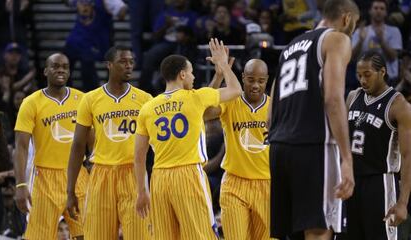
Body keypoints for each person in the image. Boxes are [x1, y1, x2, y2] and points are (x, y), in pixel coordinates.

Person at [267, 0, 359, 239]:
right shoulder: (337, 39)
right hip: (314, 145)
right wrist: (347, 159)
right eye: (354, 25)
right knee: (320, 231)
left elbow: (273, 98)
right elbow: (333, 99)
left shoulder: (290, 46)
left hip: (279, 146)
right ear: (347, 18)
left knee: (292, 233)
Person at [134, 38, 242, 239]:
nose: (193, 76)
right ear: (182, 74)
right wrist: (224, 66)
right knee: (201, 234)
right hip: (189, 174)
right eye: (191, 72)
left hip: (159, 179)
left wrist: (142, 191)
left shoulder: (148, 108)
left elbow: (139, 157)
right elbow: (236, 90)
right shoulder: (194, 97)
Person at [66, 45, 152, 240]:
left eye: (131, 62)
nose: (129, 66)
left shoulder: (145, 99)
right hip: (101, 174)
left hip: (134, 174)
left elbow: (158, 143)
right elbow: (78, 146)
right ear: (109, 65)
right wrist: (70, 190)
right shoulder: (90, 99)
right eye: (123, 62)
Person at [13, 53, 88, 240]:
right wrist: (21, 184)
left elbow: (93, 139)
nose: (61, 69)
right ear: (46, 71)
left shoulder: (83, 100)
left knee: (87, 234)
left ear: (70, 72)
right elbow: (21, 147)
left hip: (78, 176)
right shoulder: (31, 103)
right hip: (45, 178)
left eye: (65, 66)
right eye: (55, 66)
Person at [337, 51, 411, 240]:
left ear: (382, 72)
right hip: (351, 181)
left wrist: (403, 202)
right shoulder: (353, 96)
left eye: (367, 75)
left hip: (380, 183)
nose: (362, 80)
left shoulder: (398, 104)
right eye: (359, 75)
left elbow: (408, 155)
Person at [204, 58, 271, 239]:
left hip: (266, 184)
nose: (255, 85)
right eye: (250, 79)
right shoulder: (231, 101)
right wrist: (219, 76)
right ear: (242, 78)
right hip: (234, 184)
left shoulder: (275, 107)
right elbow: (203, 111)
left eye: (260, 81)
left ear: (267, 80)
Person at [352, 0, 403, 85]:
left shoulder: (394, 31)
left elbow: (393, 57)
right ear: (370, 11)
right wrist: (360, 41)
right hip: (364, 81)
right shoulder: (360, 31)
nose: (378, 11)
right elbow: (352, 57)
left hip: (388, 80)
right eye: (375, 8)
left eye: (382, 9)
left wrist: (382, 41)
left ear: (386, 12)